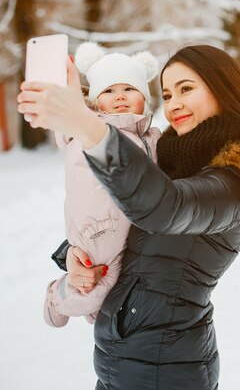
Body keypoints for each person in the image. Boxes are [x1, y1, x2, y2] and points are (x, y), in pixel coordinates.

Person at [17, 45, 240, 390]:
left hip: (166, 371)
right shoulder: (176, 161)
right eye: (168, 93)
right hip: (128, 364)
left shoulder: (238, 182)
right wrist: (71, 253)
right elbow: (122, 223)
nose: (173, 105)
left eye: (187, 89)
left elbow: (164, 209)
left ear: (223, 89)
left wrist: (88, 126)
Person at [44, 42, 161, 327]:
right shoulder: (91, 127)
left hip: (126, 230)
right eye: (109, 91)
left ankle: (92, 312)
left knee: (110, 290)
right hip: (95, 229)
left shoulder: (153, 138)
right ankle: (56, 297)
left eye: (129, 89)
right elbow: (69, 118)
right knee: (91, 287)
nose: (120, 97)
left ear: (145, 98)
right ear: (96, 100)